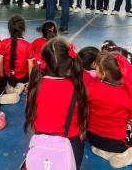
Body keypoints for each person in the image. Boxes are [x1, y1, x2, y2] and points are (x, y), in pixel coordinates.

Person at [21, 38, 88, 170]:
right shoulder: (78, 87)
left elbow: (31, 114)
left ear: (44, 62)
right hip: (71, 145)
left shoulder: (35, 86)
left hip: (41, 142)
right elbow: (82, 116)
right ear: (70, 63)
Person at [87, 52, 132, 168]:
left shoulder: (91, 87)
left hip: (92, 137)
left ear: (104, 73)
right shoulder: (130, 95)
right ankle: (123, 158)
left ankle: (102, 151)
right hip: (115, 142)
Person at [0, 15, 34, 104]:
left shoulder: (4, 42)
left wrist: (2, 78)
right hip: (22, 78)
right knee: (35, 64)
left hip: (7, 76)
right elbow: (30, 66)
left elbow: (0, 61)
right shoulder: (27, 45)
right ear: (23, 30)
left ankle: (8, 87)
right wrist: (30, 82)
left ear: (9, 29)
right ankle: (19, 88)